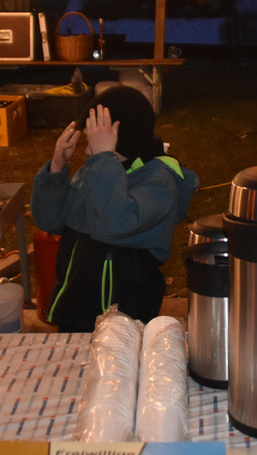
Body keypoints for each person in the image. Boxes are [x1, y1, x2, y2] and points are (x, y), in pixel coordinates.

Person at [31, 85, 199, 332]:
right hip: (77, 308)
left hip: (124, 322)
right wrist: (57, 167)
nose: (86, 151)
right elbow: (50, 220)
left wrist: (102, 159)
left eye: (94, 142)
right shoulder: (95, 172)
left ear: (122, 141)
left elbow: (112, 225)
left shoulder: (158, 183)